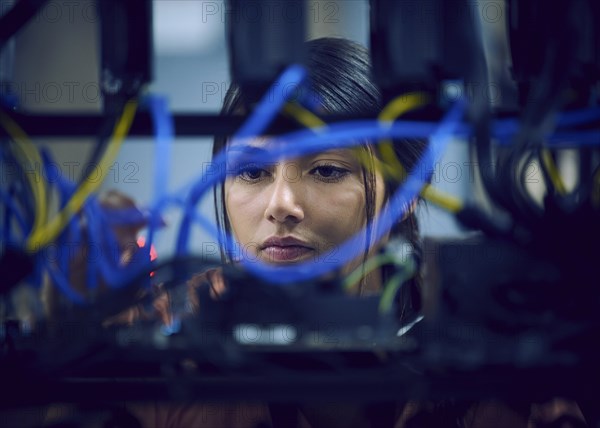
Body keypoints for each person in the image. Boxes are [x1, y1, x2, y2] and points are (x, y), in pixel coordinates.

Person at [46, 37, 588, 428]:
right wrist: (72, 346)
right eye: (251, 172)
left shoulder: (491, 344)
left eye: (327, 170)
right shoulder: (172, 333)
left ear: (407, 196)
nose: (282, 205)